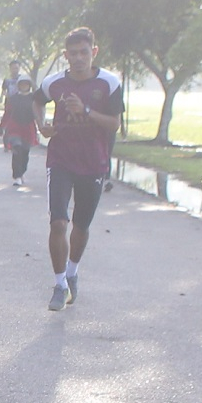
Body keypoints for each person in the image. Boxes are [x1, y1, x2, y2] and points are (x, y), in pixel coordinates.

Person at [37, 27, 124, 310]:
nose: (78, 58)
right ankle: (59, 283)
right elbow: (37, 102)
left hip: (94, 162)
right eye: (72, 54)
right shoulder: (55, 83)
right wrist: (43, 126)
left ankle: (73, 273)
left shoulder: (108, 83)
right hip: (61, 159)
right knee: (58, 222)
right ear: (65, 56)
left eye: (83, 52)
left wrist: (85, 111)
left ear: (94, 52)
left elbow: (114, 124)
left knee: (81, 226)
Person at [0, 74, 40, 187]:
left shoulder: (34, 98)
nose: (24, 86)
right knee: (16, 150)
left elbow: (38, 114)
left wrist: (41, 126)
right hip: (14, 128)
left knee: (25, 153)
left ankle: (21, 172)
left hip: (28, 128)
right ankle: (16, 176)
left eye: (26, 84)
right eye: (22, 84)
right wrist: (2, 126)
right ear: (18, 85)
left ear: (29, 85)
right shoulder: (13, 99)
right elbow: (7, 113)